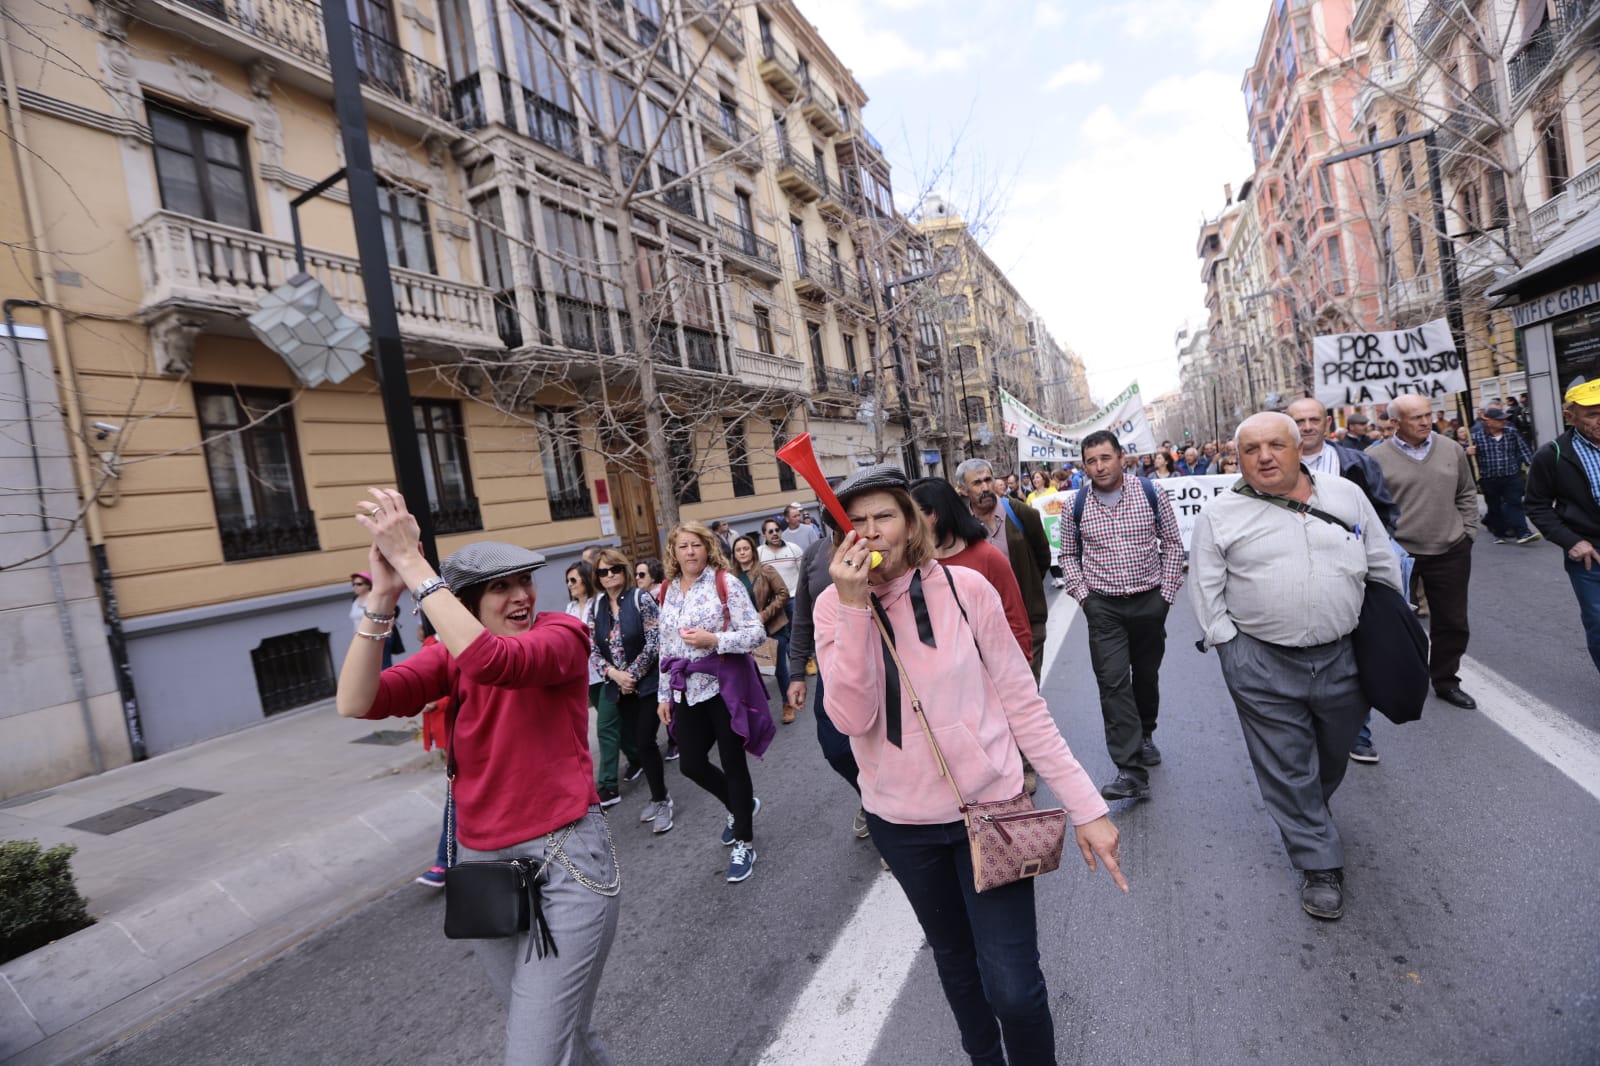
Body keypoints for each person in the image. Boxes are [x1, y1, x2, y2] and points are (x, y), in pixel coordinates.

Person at [813, 464, 1127, 1064]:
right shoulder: (834, 606)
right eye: (856, 522)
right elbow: (852, 718)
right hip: (902, 824)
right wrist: (854, 608)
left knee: (1012, 985)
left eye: (884, 516)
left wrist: (1086, 806)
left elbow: (1023, 706)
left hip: (992, 808)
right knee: (957, 968)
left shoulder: (966, 589)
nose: (871, 532)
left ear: (912, 523)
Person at [338, 492, 618, 1063]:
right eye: (499, 587)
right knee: (564, 1039)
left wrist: (414, 563)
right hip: (483, 868)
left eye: (523, 581)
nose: (520, 595)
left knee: (533, 1053)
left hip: (565, 862)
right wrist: (385, 596)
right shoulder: (448, 656)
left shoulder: (562, 634)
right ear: (466, 602)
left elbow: (497, 663)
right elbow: (357, 701)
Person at [1190, 414, 1401, 921]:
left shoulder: (1344, 495)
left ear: (1299, 447)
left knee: (1332, 753)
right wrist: (1230, 648)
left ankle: (1309, 811)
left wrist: (1390, 628)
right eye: (1252, 449)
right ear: (1236, 458)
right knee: (1287, 765)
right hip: (1261, 663)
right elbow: (1205, 588)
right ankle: (1319, 863)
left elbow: (1380, 560)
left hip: (1343, 657)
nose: (1265, 456)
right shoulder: (1220, 515)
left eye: (1276, 445)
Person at [1057, 430, 1184, 801]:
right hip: (1105, 609)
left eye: (1105, 458)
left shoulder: (1150, 493)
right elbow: (1068, 556)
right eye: (1092, 461)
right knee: (1113, 684)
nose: (1099, 467)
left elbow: (1173, 544)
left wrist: (1165, 596)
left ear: (1121, 458)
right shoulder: (1074, 506)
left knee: (1145, 676)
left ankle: (1145, 733)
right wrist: (1086, 599)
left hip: (1149, 602)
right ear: (1085, 466)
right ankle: (1130, 770)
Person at [1286, 397, 1402, 764]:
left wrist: (1369, 556)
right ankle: (1308, 729)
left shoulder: (1357, 463)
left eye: (1312, 419)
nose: (1306, 426)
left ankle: (1358, 733)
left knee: (1356, 652)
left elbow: (1383, 513)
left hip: (1352, 577)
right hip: (1295, 578)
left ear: (1326, 422)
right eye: (1298, 420)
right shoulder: (1268, 466)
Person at [655, 522, 772, 883]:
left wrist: (714, 639)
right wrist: (664, 694)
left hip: (724, 687)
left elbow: (756, 633)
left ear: (708, 549)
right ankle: (740, 808)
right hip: (686, 689)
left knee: (734, 763)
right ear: (673, 552)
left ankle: (744, 840)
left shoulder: (726, 583)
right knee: (690, 764)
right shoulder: (666, 590)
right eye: (683, 546)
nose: (690, 552)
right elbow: (666, 645)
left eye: (696, 545)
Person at [1368, 395, 1481, 709]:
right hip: (1401, 555)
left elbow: (1467, 493)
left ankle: (1446, 681)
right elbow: (1367, 508)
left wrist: (1468, 533)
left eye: (1427, 415)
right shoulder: (1374, 458)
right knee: (1399, 625)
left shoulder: (1451, 449)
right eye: (1415, 417)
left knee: (1453, 622)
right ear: (1396, 423)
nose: (1425, 422)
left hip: (1451, 549)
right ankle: (1404, 682)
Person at [590, 548, 671, 835]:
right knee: (638, 743)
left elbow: (654, 639)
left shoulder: (640, 598)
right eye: (603, 571)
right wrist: (614, 675)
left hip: (646, 685)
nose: (610, 575)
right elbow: (593, 649)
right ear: (597, 577)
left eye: (615, 569)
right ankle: (657, 795)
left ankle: (662, 801)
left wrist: (632, 675)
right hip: (619, 688)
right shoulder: (596, 607)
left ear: (624, 571)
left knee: (646, 740)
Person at [909, 477, 1033, 659]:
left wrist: (1018, 676)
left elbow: (1016, 622)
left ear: (934, 515)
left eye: (912, 515)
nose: (907, 524)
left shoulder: (987, 557)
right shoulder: (915, 564)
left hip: (993, 670)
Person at [1525, 379, 1600, 673]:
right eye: (1592, 413)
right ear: (1570, 416)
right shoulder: (1552, 455)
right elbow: (1536, 506)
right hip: (1590, 556)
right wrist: (1572, 541)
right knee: (1598, 623)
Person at [954, 458, 1052, 684]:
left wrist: (1029, 587)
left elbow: (1042, 557)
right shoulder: (960, 526)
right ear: (963, 489)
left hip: (1028, 619)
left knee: (1027, 687)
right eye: (977, 483)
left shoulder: (1021, 513)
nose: (985, 487)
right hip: (985, 628)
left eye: (988, 479)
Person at [566, 561, 621, 805]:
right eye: (567, 581)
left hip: (607, 672)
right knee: (621, 724)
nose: (570, 585)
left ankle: (609, 785)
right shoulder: (568, 608)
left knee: (605, 727)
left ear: (586, 580)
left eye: (574, 580)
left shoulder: (598, 603)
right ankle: (639, 757)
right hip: (586, 676)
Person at [729, 534, 794, 722]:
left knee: (779, 668)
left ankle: (787, 704)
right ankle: (759, 712)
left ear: (752, 551)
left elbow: (783, 593)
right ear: (734, 554)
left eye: (745, 549)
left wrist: (764, 614)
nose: (742, 553)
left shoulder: (766, 570)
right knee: (754, 672)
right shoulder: (732, 578)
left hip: (773, 627)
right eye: (738, 550)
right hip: (747, 633)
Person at [1472, 406, 1542, 545]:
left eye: (1504, 419)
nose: (1503, 422)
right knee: (1494, 507)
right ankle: (1499, 533)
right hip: (1489, 478)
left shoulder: (1511, 433)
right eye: (1499, 420)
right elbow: (1463, 456)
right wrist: (1467, 451)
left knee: (1515, 503)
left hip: (1511, 476)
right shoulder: (1477, 437)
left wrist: (1534, 468)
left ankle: (1523, 532)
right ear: (1489, 421)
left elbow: (1524, 450)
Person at [350, 571, 396, 669]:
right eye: (353, 584)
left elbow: (390, 613)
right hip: (361, 638)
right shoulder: (355, 600)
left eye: (359, 584)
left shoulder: (373, 598)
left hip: (378, 636)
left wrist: (388, 631)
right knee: (369, 667)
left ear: (368, 584)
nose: (355, 587)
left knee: (383, 666)